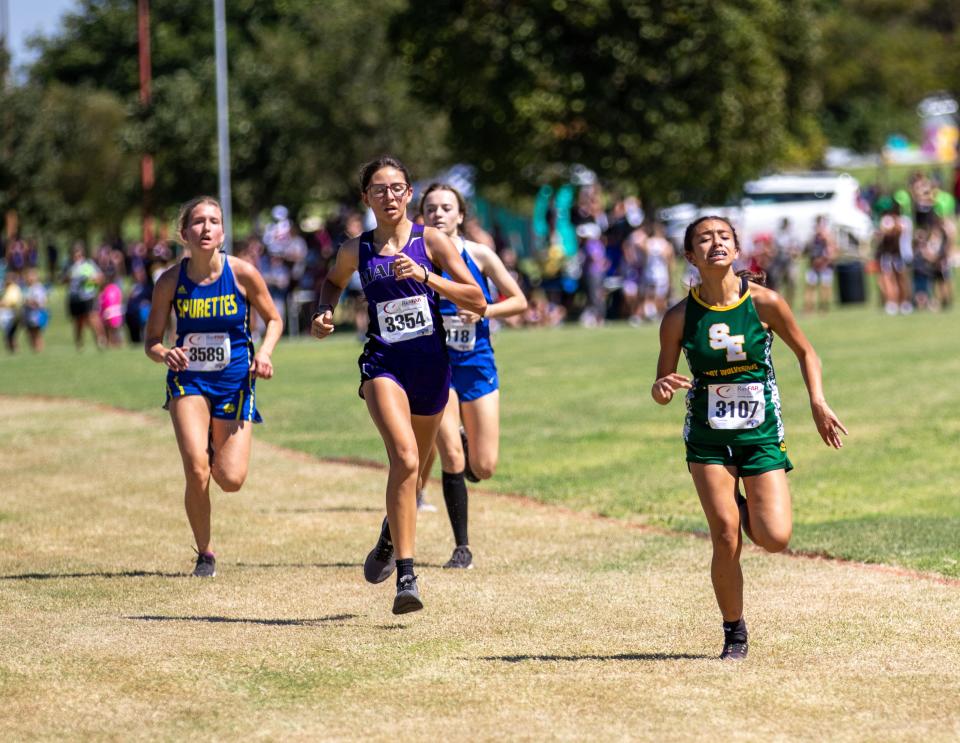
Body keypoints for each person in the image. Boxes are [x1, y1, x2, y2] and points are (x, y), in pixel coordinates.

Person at [652, 216, 847, 661]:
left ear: (737, 250)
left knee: (775, 537)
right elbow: (662, 382)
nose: (715, 243)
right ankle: (733, 633)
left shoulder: (766, 303)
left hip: (760, 433)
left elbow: (806, 351)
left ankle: (743, 506)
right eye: (704, 238)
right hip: (707, 437)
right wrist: (661, 388)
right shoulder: (677, 318)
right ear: (690, 256)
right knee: (725, 536)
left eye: (724, 237)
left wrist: (818, 401)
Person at [310, 156, 486, 614]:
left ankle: (389, 536)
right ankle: (407, 575)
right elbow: (331, 282)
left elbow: (478, 300)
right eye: (379, 189)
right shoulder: (356, 249)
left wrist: (427, 276)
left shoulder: (434, 242)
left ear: (409, 194)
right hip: (383, 365)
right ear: (365, 197)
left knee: (415, 467)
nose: (389, 196)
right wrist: (323, 312)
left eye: (397, 188)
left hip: (431, 368)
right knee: (405, 457)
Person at [144, 196, 282, 577]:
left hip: (235, 381)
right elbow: (152, 340)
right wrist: (164, 353)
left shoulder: (242, 273)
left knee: (231, 479)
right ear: (184, 232)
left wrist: (265, 354)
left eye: (214, 221)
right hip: (188, 381)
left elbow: (273, 319)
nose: (206, 228)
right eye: (198, 222)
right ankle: (205, 553)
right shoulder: (170, 281)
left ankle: (209, 442)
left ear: (223, 231)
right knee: (196, 468)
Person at [417, 183, 528, 568]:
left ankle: (465, 441)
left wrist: (484, 312)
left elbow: (520, 301)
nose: (439, 214)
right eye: (431, 208)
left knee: (483, 466)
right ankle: (462, 547)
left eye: (447, 207)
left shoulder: (479, 255)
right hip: (437, 367)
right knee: (449, 455)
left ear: (461, 215)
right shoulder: (417, 257)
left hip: (477, 364)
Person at [64, 242, 107, 349]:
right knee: (78, 321)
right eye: (74, 255)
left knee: (92, 318)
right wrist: (68, 279)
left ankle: (101, 340)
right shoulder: (69, 266)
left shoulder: (88, 264)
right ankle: (79, 344)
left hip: (87, 296)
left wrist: (91, 280)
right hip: (74, 297)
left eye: (78, 255)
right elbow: (63, 280)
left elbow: (100, 277)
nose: (76, 257)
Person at [803, 215, 837, 313]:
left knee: (825, 287)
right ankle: (809, 308)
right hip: (813, 265)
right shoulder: (812, 237)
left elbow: (833, 251)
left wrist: (826, 239)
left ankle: (824, 307)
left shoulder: (828, 236)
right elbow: (807, 250)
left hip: (825, 265)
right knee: (810, 286)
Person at [21, 268, 49, 352]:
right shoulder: (26, 288)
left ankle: (39, 349)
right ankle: (34, 350)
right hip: (28, 314)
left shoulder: (38, 287)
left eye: (31, 276)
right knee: (29, 332)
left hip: (37, 314)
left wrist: (29, 302)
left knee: (37, 333)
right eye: (28, 276)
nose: (29, 278)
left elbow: (42, 302)